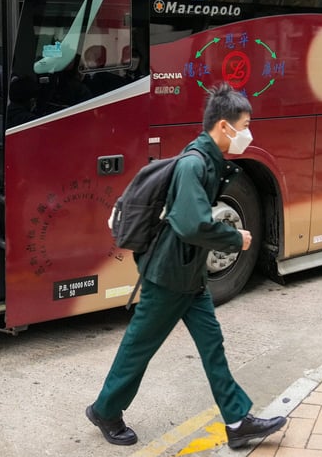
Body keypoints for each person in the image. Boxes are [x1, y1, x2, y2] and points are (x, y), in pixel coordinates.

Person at [86, 83, 286, 451]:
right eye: (245, 125)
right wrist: (234, 238)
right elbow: (191, 224)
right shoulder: (194, 164)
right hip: (168, 275)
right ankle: (105, 410)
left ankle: (237, 421)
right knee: (139, 347)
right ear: (224, 126)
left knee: (212, 346)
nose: (248, 133)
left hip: (189, 273)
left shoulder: (208, 161)